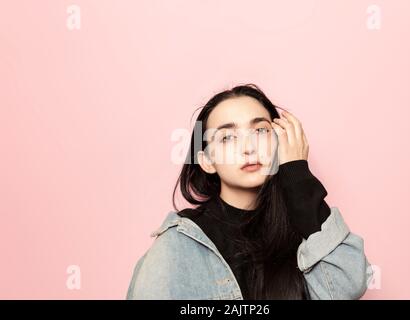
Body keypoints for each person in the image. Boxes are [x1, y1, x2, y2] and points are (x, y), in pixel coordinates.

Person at [127, 84, 373, 300]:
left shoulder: (303, 229)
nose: (248, 148)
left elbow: (346, 288)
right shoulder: (179, 244)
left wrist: (297, 174)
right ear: (206, 161)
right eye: (227, 138)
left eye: (261, 131)